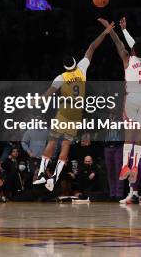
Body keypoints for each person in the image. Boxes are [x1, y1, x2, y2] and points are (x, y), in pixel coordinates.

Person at [34, 22, 114, 191]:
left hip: (64, 112)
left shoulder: (60, 77)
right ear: (75, 63)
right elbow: (92, 47)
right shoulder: (82, 69)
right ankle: (54, 178)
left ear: (64, 67)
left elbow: (48, 95)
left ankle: (42, 173)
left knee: (53, 140)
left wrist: (37, 101)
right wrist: (105, 32)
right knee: (66, 145)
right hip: (76, 114)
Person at [99, 17, 141, 185]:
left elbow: (119, 43)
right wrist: (125, 30)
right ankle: (135, 166)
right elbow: (135, 45)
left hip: (132, 99)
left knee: (129, 135)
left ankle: (125, 166)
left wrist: (113, 30)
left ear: (134, 51)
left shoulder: (127, 59)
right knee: (139, 136)